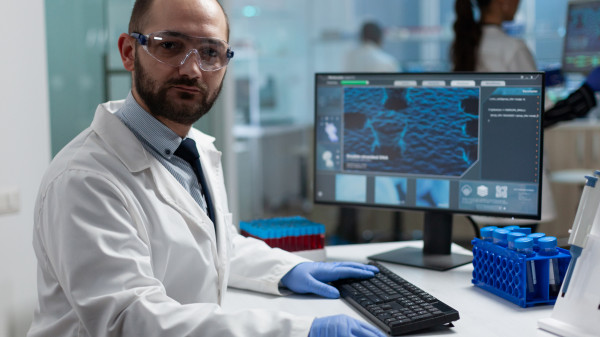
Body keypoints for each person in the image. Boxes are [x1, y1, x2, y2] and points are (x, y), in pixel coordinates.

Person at [27, 1, 386, 336]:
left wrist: (288, 269)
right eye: (170, 45)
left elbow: (218, 244)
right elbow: (130, 318)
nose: (192, 68)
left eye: (211, 52)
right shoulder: (84, 179)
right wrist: (298, 330)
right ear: (128, 52)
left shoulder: (193, 148)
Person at [451, 0, 600, 227]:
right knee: (521, 255)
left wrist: (542, 80)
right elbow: (540, 117)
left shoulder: (467, 46)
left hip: (481, 175)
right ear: (503, 3)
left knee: (491, 254)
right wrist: (587, 92)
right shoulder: (513, 48)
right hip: (516, 178)